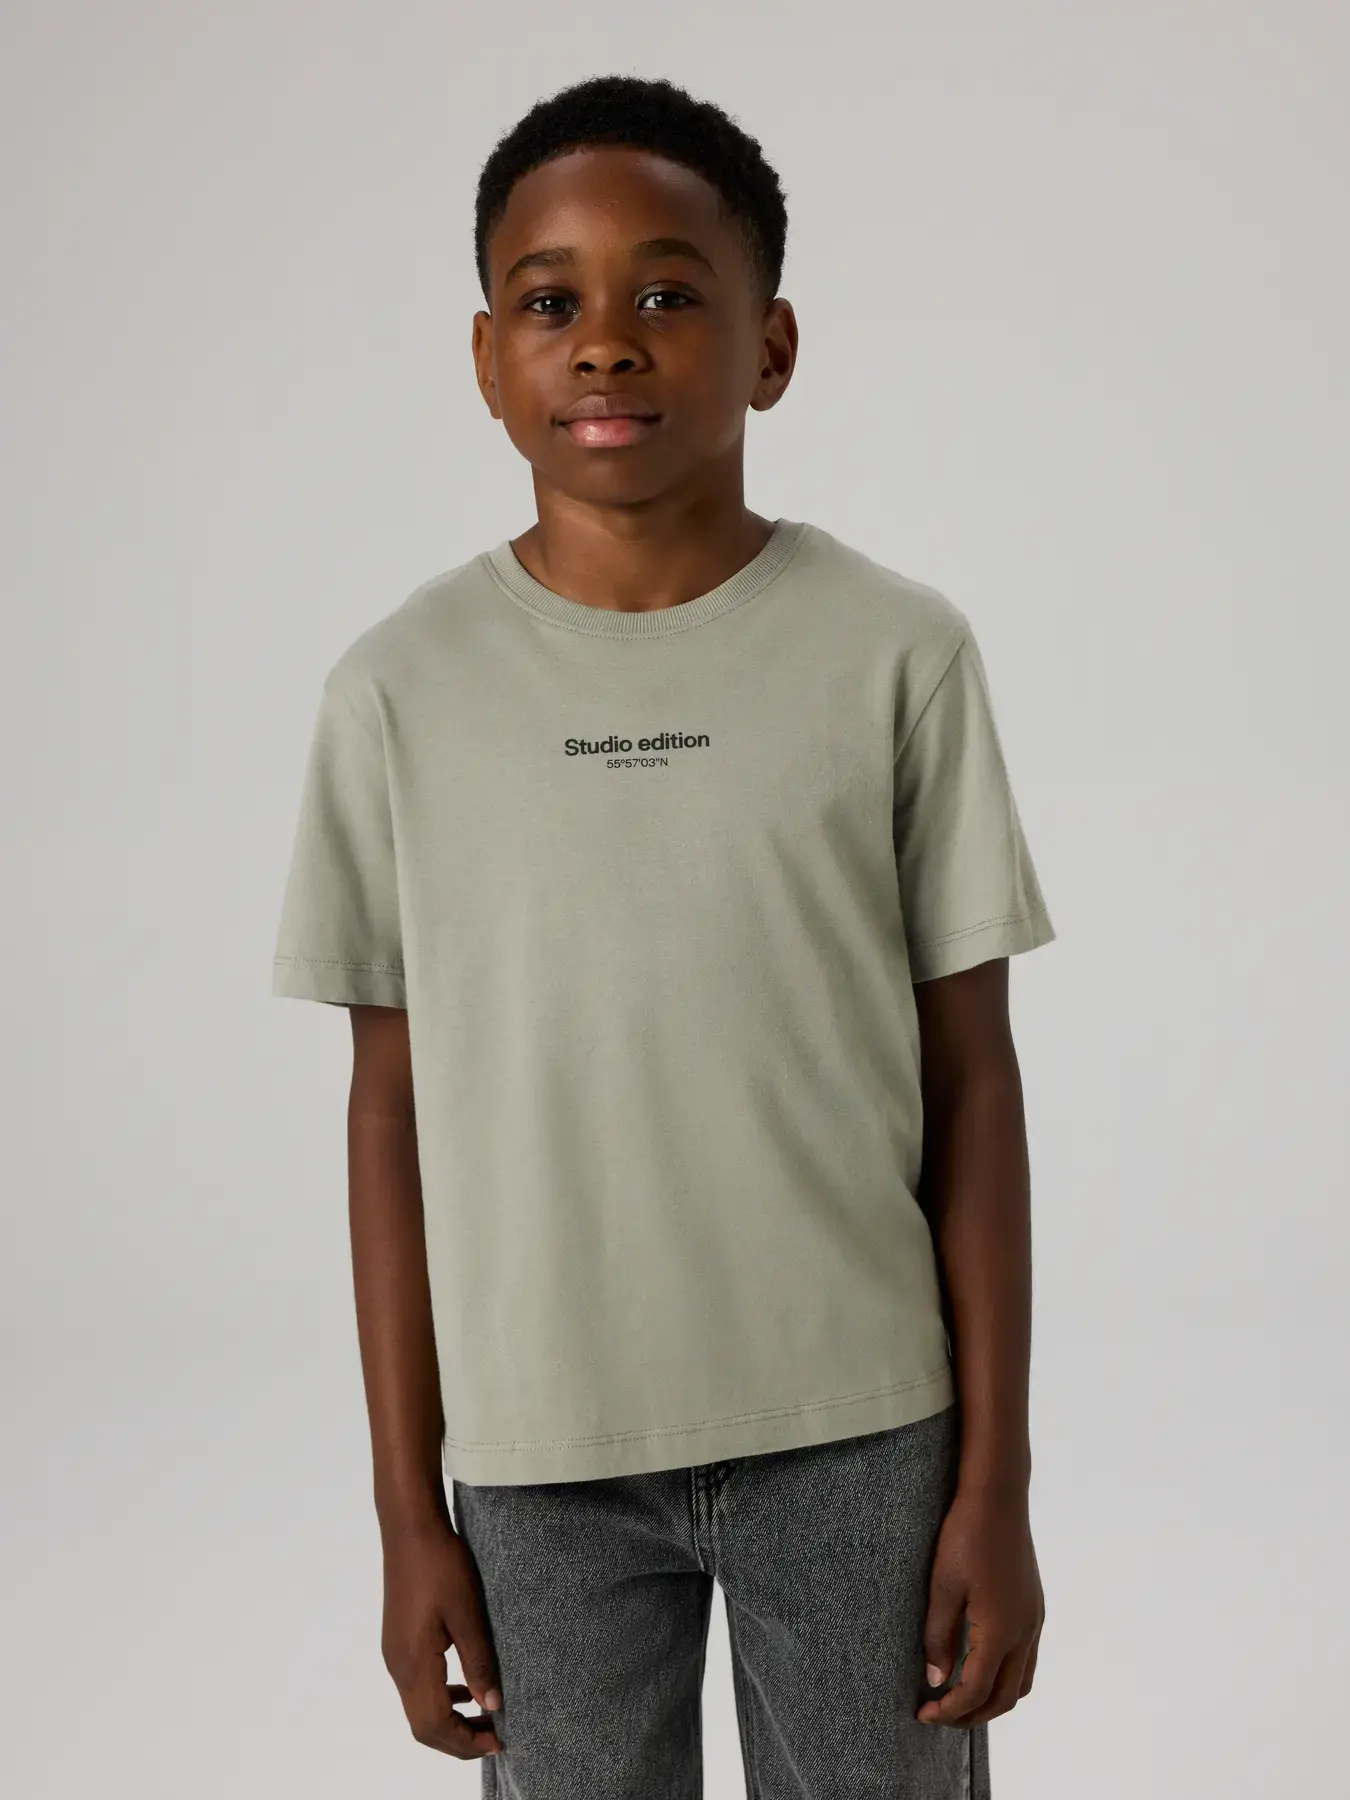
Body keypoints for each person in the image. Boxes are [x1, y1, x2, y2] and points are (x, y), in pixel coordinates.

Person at [270, 71, 1056, 1800]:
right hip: (537, 1456)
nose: (607, 343)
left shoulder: (893, 653)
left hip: (861, 1433)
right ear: (489, 359)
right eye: (550, 303)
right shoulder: (397, 692)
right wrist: (408, 1517)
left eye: (668, 295)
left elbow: (974, 1086)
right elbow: (388, 1113)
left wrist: (993, 1483)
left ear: (771, 346)